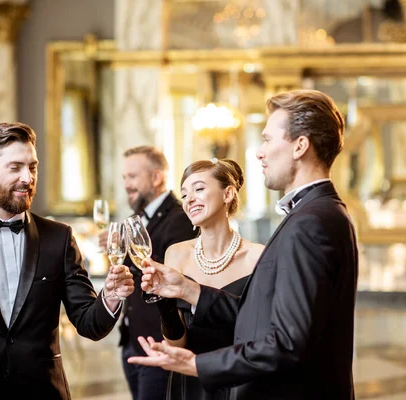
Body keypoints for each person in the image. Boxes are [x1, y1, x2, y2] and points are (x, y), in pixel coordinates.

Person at [129, 90, 359, 399]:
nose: (259, 153)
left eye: (267, 140)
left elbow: (287, 342)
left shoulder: (311, 222)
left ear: (300, 146)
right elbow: (261, 315)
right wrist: (187, 289)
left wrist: (199, 364)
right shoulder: (314, 214)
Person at [0, 122, 134, 400]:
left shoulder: (59, 238)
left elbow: (89, 324)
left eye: (32, 167)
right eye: (15, 167)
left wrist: (109, 296)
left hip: (43, 392)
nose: (27, 177)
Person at [158, 158, 264, 400]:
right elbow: (176, 346)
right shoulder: (175, 254)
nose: (189, 200)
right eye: (184, 195)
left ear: (227, 194)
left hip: (240, 382)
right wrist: (162, 305)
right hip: (188, 384)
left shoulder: (259, 257)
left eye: (199, 189)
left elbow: (261, 333)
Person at [99, 146, 196, 400]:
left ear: (156, 177)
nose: (126, 184)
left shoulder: (181, 218)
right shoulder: (136, 218)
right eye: (124, 178)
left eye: (132, 177)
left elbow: (174, 275)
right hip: (132, 338)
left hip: (161, 342)